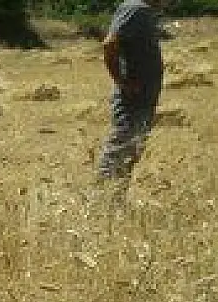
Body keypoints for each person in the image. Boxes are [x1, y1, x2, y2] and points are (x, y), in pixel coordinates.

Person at [98, 0, 164, 181]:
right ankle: (103, 200)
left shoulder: (143, 11)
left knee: (129, 151)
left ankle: (113, 201)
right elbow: (109, 44)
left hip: (143, 98)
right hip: (132, 98)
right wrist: (121, 82)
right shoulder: (135, 8)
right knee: (120, 149)